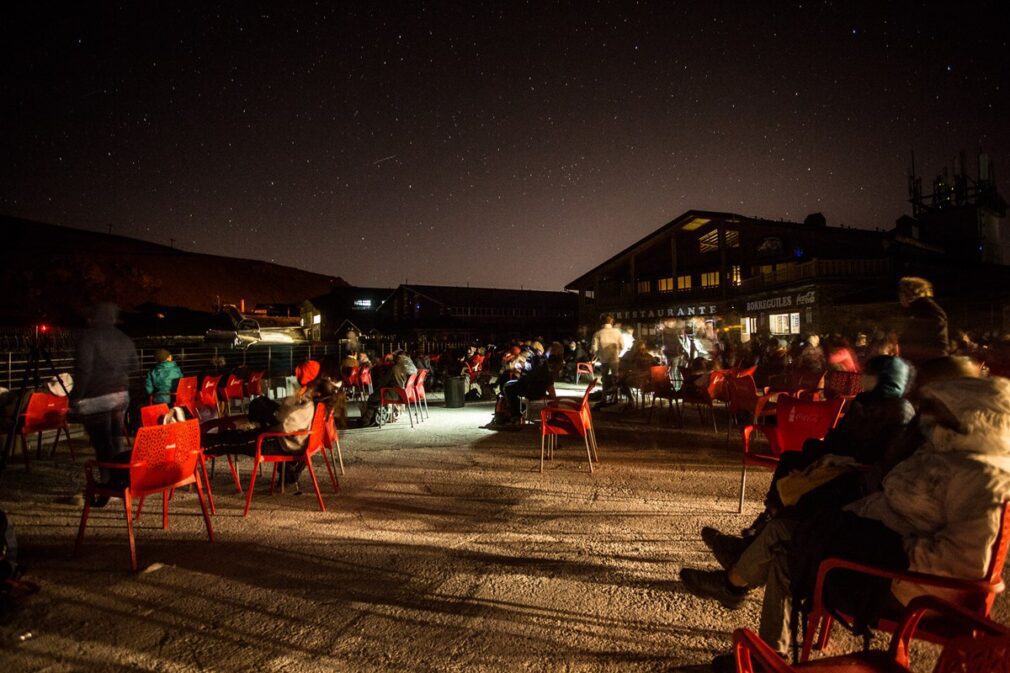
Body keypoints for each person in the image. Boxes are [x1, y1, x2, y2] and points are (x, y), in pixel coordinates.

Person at [681, 374, 1010, 670]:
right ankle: (734, 586)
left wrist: (876, 544)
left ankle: (745, 608)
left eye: (941, 409)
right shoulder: (946, 453)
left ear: (969, 415)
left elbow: (959, 563)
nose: (930, 416)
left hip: (897, 583)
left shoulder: (983, 478)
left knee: (788, 551)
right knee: (791, 525)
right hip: (875, 548)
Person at [202, 377, 344, 485]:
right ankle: (204, 442)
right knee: (237, 437)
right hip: (288, 442)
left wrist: (295, 400)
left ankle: (202, 444)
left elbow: (285, 423)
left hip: (278, 442)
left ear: (317, 392)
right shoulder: (322, 407)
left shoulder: (310, 407)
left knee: (233, 440)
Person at [70, 302, 139, 492]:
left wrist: (75, 398)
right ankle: (120, 480)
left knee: (102, 443)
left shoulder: (88, 337)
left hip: (97, 396)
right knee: (116, 438)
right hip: (121, 395)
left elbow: (83, 370)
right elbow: (135, 366)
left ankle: (108, 484)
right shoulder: (125, 339)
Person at [898, 276, 949, 365]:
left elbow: (931, 342)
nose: (899, 296)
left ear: (910, 293)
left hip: (929, 366)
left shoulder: (928, 311)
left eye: (901, 292)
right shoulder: (918, 310)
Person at [591, 315, 622, 407]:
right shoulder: (617, 332)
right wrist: (617, 353)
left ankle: (604, 399)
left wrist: (599, 355)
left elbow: (594, 347)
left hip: (604, 359)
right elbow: (622, 345)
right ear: (612, 322)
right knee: (615, 378)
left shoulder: (598, 333)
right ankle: (615, 398)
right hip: (614, 358)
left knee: (604, 379)